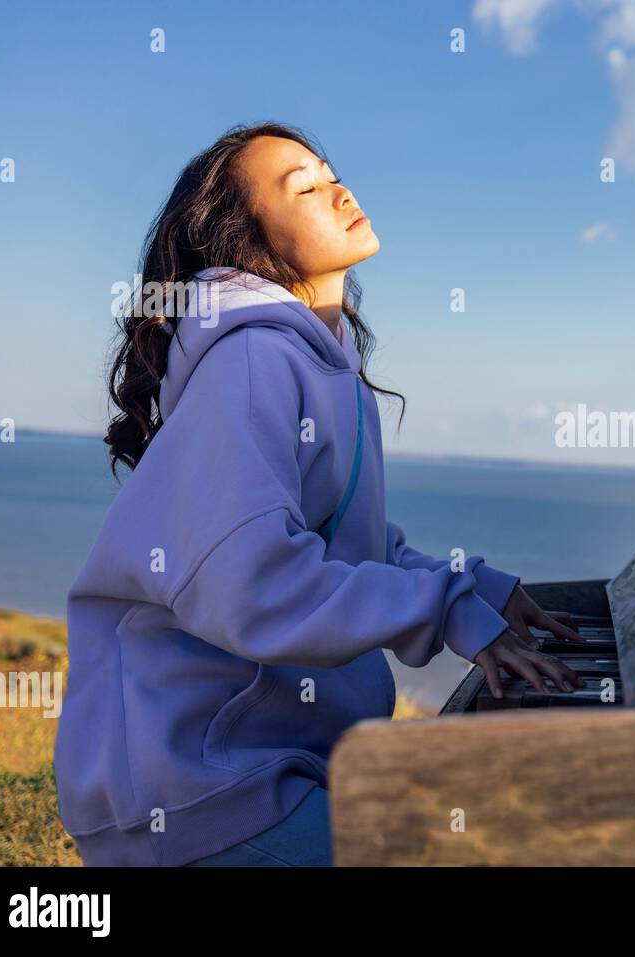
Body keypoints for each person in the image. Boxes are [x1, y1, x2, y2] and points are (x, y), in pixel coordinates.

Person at [53, 123, 585, 867]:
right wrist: (445, 610)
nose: (338, 188)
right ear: (246, 241)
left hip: (265, 765)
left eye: (332, 171)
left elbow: (351, 542)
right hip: (195, 785)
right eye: (302, 186)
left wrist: (477, 590)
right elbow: (255, 580)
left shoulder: (324, 362)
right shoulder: (252, 359)